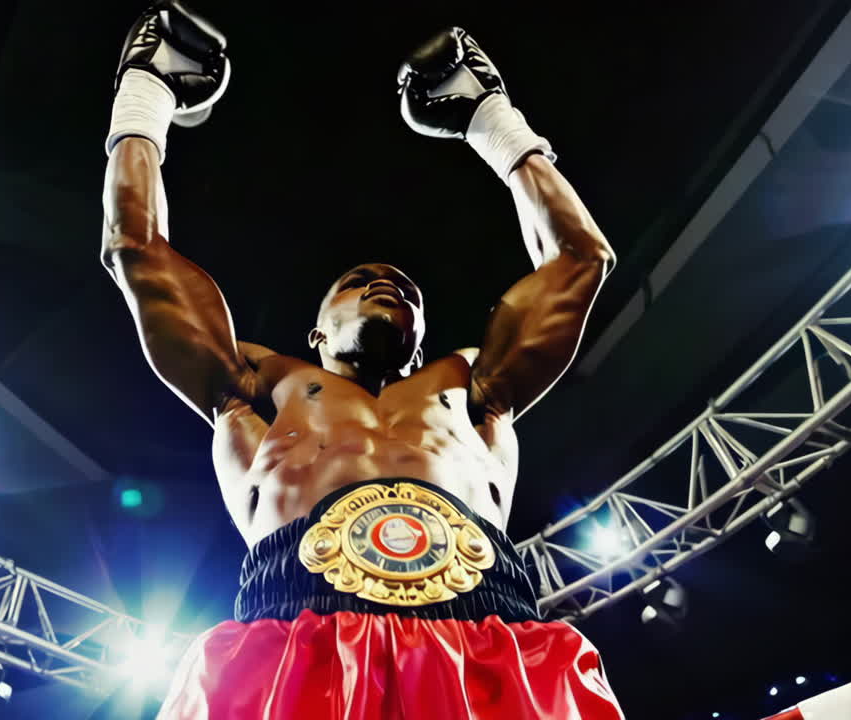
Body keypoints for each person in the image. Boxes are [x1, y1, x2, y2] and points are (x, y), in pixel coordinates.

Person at [101, 2, 625, 718]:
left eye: (407, 291)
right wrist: (146, 93)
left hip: (487, 636)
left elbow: (580, 259)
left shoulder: (473, 387)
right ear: (315, 333)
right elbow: (136, 250)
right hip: (293, 631)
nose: (387, 284)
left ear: (422, 332)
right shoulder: (256, 387)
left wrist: (491, 119)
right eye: (358, 283)